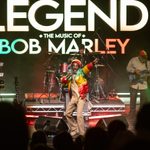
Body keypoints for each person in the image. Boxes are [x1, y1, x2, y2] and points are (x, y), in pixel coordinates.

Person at [60, 58, 98, 138]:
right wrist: (66, 78)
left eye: (76, 66)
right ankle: (75, 129)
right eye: (73, 65)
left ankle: (82, 134)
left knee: (79, 116)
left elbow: (87, 68)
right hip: (74, 97)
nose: (74, 67)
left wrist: (93, 63)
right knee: (67, 113)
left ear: (79, 66)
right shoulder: (70, 74)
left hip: (81, 97)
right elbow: (63, 81)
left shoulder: (81, 72)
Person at [126, 50, 150, 116]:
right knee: (133, 98)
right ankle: (132, 112)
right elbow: (128, 68)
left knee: (143, 100)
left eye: (144, 57)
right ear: (139, 56)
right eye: (142, 57)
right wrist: (134, 70)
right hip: (134, 82)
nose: (143, 59)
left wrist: (145, 75)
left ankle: (141, 113)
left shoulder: (148, 63)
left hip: (143, 83)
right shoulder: (133, 60)